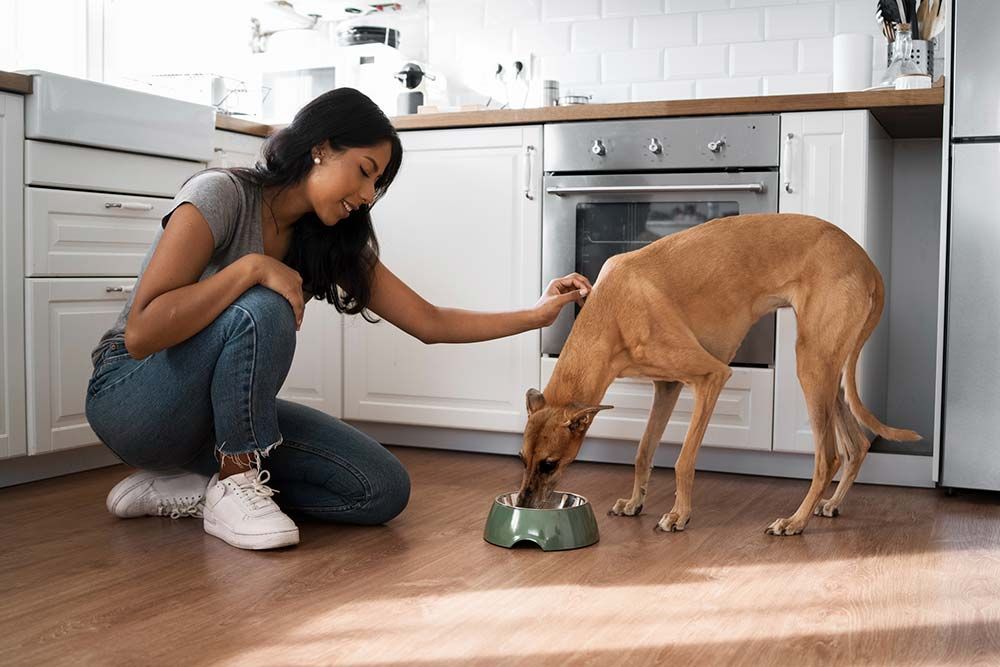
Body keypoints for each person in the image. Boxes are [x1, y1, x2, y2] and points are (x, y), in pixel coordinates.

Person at [85, 88, 591, 551]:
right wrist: (251, 268)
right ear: (321, 148)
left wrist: (536, 313)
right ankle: (236, 481)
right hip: (132, 399)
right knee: (264, 302)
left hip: (213, 420)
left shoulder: (330, 238)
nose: (369, 194)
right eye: (366, 170)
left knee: (381, 489)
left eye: (378, 183)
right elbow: (142, 332)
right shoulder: (220, 193)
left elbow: (429, 321)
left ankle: (196, 484)